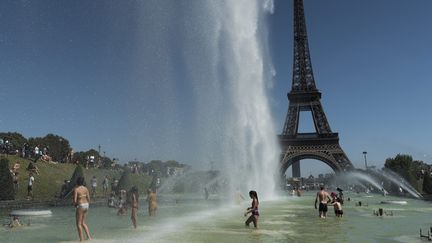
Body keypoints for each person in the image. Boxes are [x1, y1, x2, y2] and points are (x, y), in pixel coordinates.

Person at [73, 176, 91, 241]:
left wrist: (75, 205)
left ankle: (81, 240)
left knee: (78, 224)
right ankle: (89, 237)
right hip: (86, 205)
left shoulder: (76, 189)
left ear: (77, 182)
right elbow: (89, 198)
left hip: (81, 205)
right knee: (83, 222)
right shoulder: (86, 188)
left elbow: (75, 200)